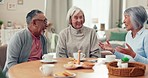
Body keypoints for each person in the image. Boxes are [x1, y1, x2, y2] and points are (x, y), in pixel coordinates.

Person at [2, 9, 48, 75]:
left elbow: (44, 59)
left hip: (37, 73)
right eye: (44, 21)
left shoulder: (43, 39)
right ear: (34, 23)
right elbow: (11, 64)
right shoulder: (18, 37)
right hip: (18, 73)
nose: (46, 25)